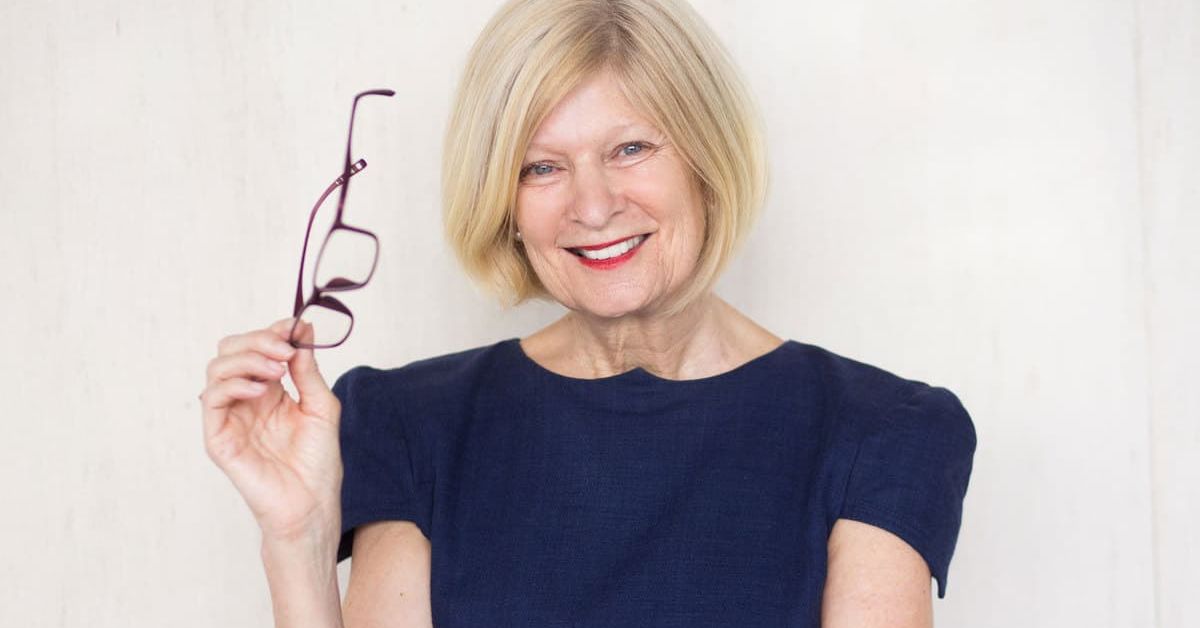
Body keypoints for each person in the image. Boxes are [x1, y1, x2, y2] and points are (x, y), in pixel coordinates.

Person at [199, 0, 977, 626]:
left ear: (706, 160)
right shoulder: (410, 422)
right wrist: (298, 538)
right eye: (542, 167)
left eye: (631, 149)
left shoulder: (882, 430)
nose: (594, 205)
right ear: (504, 204)